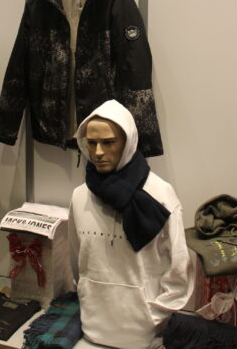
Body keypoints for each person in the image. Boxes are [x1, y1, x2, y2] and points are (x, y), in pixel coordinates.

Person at [69, 100, 194, 349]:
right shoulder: (80, 196)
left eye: (108, 142)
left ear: (128, 141)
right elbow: (77, 260)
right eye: (91, 143)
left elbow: (180, 270)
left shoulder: (159, 195)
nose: (98, 152)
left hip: (143, 334)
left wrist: (152, 316)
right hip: (91, 328)